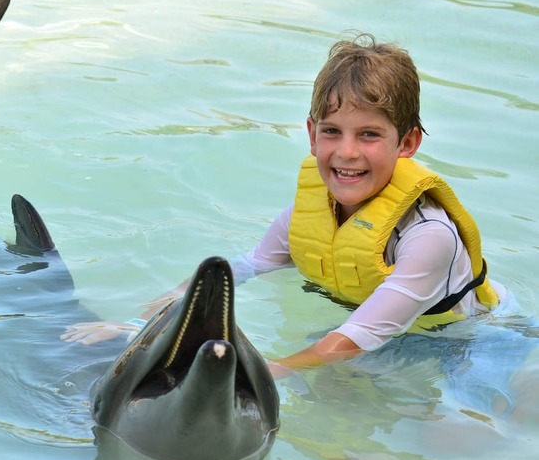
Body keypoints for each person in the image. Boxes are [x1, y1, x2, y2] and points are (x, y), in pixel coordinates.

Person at [62, 32, 512, 381]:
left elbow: (359, 336)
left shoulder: (427, 236)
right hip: (375, 337)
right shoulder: (308, 212)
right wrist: (136, 330)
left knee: (455, 444)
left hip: (467, 344)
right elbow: (244, 267)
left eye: (369, 135)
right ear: (312, 134)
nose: (347, 152)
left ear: (407, 142)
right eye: (333, 132)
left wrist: (262, 372)